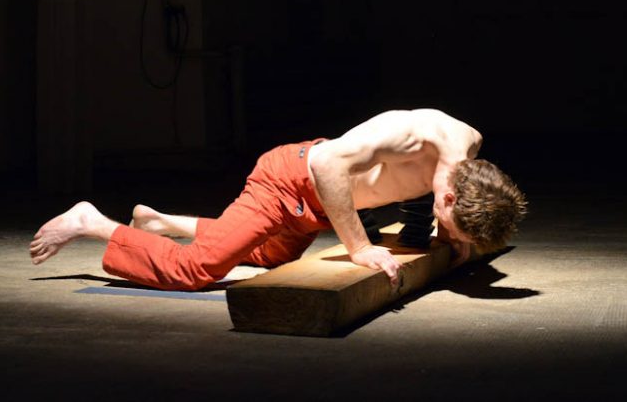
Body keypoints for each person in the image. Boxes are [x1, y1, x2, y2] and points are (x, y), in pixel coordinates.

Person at [29, 108, 526, 291]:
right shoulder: (411, 134)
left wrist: (454, 237)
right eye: (449, 222)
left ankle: (160, 222)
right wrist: (359, 247)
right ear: (449, 193)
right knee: (198, 269)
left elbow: (435, 203)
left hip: (319, 208)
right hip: (289, 181)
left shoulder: (468, 151)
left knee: (268, 257)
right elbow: (328, 165)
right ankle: (92, 222)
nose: (446, 232)